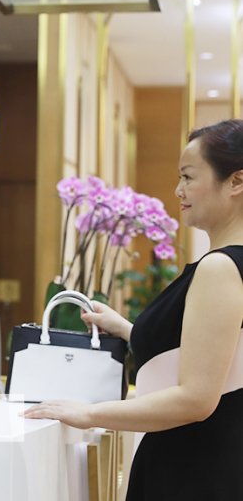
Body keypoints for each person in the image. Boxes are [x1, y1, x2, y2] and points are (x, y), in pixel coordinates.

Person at [24, 118, 243, 500]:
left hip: (194, 470)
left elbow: (196, 399)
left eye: (188, 177)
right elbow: (215, 354)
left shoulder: (220, 268)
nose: (178, 190)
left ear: (236, 182)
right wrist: (128, 328)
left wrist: (89, 413)